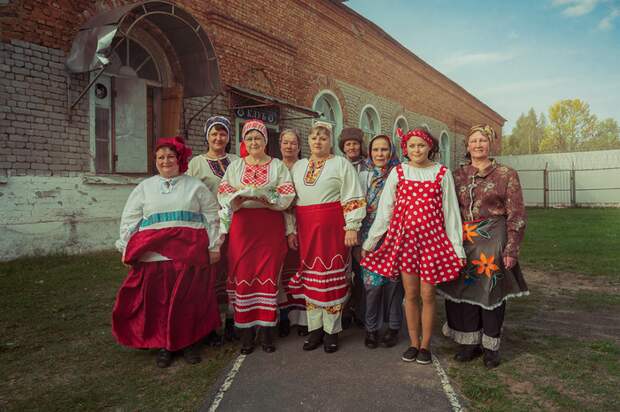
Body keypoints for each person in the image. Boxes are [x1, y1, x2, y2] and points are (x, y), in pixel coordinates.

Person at [112, 136, 222, 368]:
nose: (165, 161)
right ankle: (165, 345)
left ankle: (189, 342)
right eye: (161, 157)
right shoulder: (145, 187)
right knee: (160, 302)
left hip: (189, 254)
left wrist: (214, 246)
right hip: (155, 256)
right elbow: (130, 219)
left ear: (180, 159)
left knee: (187, 300)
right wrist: (126, 246)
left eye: (170, 156)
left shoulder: (195, 186)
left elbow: (212, 216)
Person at [361, 128, 465, 365]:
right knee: (410, 295)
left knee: (428, 295)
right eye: (411, 146)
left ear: (430, 147)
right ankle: (413, 343)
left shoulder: (441, 173)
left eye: (421, 145)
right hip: (406, 243)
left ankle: (426, 345)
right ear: (405, 149)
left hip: (432, 244)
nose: (416, 150)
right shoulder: (399, 172)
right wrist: (371, 241)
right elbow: (385, 210)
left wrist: (457, 248)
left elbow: (450, 213)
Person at [437, 124, 528, 369]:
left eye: (482, 140)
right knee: (463, 290)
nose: (478, 145)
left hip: (493, 240)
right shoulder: (456, 175)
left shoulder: (506, 174)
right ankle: (468, 343)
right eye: (473, 141)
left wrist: (511, 249)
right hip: (462, 238)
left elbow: (517, 213)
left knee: (489, 292)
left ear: (490, 145)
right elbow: (445, 207)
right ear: (467, 145)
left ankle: (490, 346)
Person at [217, 119, 295, 354]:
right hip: (243, 228)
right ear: (244, 142)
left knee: (268, 275)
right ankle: (246, 334)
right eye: (249, 138)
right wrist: (236, 199)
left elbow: (287, 191)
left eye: (258, 138)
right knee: (244, 274)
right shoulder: (235, 166)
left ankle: (267, 332)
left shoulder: (278, 166)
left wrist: (269, 199)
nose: (254, 142)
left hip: (269, 226)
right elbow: (224, 191)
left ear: (265, 141)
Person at [288, 122, 366, 353]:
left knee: (331, 282)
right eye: (313, 138)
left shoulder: (340, 163)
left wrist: (352, 226)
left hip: (333, 231)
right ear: (308, 141)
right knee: (311, 281)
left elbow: (352, 194)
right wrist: (290, 229)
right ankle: (315, 331)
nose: (318, 141)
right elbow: (290, 202)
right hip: (306, 230)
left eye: (323, 138)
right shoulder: (299, 166)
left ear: (330, 142)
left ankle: (332, 332)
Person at [187, 115, 239, 343]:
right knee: (209, 276)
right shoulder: (196, 163)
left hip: (237, 225)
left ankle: (232, 322)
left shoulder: (237, 161)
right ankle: (209, 326)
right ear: (207, 136)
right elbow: (189, 196)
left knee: (234, 272)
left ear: (228, 137)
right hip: (209, 226)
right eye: (214, 133)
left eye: (223, 134)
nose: (219, 138)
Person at [356, 134, 403, 349]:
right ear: (370, 152)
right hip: (369, 237)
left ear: (391, 152)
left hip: (394, 236)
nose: (380, 154)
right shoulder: (362, 175)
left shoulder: (400, 174)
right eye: (376, 150)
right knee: (372, 287)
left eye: (384, 150)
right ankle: (371, 329)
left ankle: (393, 328)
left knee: (393, 285)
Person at [277, 129, 308, 337]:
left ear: (299, 145)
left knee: (301, 268)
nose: (289, 146)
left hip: (302, 223)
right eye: (285, 142)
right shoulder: (274, 167)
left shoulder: (304, 167)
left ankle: (304, 319)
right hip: (277, 224)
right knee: (280, 272)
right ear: (280, 144)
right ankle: (284, 316)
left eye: (293, 143)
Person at [338, 127, 367, 327]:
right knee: (342, 271)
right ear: (343, 147)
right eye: (348, 144)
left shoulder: (368, 166)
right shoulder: (337, 165)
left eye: (355, 143)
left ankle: (362, 310)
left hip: (363, 224)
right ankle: (344, 311)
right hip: (340, 224)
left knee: (361, 269)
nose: (351, 147)